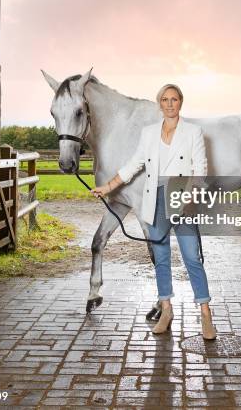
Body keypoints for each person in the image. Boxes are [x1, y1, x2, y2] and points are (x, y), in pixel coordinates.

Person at [91, 84, 216, 340]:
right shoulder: (148, 133)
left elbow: (200, 169)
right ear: (159, 103)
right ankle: (166, 310)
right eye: (165, 100)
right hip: (156, 200)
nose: (169, 104)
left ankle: (205, 314)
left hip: (182, 197)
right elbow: (133, 164)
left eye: (174, 99)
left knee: (192, 258)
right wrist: (109, 186)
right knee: (161, 258)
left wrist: (190, 198)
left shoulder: (193, 132)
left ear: (181, 102)